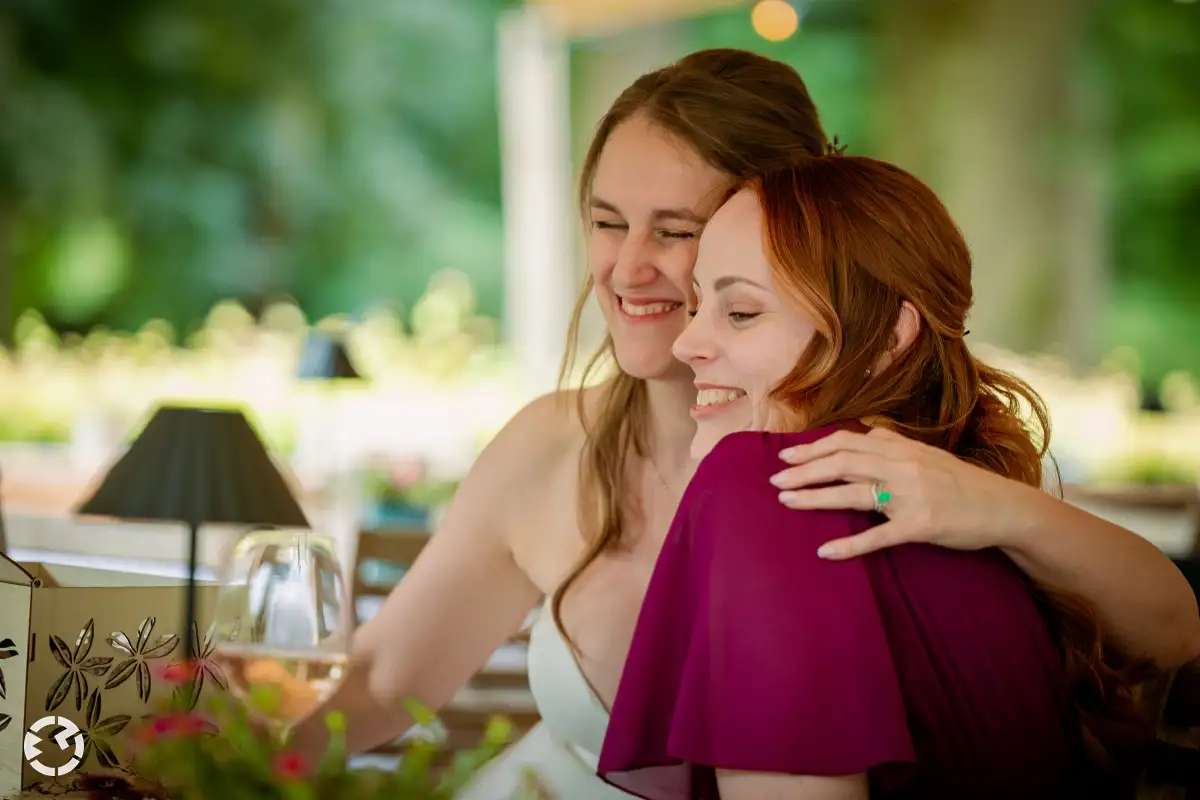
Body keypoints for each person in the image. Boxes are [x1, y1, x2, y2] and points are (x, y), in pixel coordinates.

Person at [285, 49, 1198, 799]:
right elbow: (382, 686)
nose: (629, 268)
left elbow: (1169, 634)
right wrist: (199, 759)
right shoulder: (550, 447)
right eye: (607, 222)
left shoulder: (900, 474)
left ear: (783, 230)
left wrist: (997, 506)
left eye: (676, 231)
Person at [597, 157, 1146, 800]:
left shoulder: (767, 489)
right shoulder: (966, 521)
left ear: (887, 337)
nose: (687, 343)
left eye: (740, 312)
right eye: (696, 307)